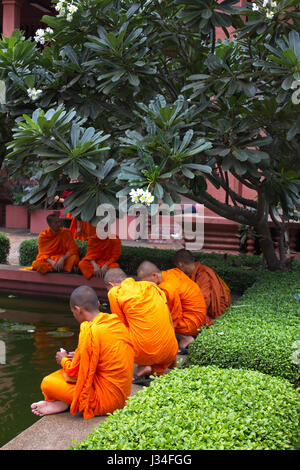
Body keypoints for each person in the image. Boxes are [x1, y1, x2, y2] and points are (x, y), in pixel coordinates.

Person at [31, 285, 135, 419]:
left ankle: (65, 403)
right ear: (97, 304)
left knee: (47, 383)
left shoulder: (90, 331)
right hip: (122, 396)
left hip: (105, 402)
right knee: (60, 374)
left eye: (73, 313)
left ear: (77, 310)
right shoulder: (115, 322)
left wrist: (63, 360)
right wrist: (80, 357)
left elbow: (74, 372)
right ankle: (63, 402)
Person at [104, 268, 178, 385]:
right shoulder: (150, 286)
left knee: (113, 330)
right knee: (141, 326)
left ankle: (133, 371)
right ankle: (147, 367)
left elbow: (120, 326)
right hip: (170, 350)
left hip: (146, 350)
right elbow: (168, 317)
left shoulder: (115, 292)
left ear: (111, 284)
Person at [137, 261, 208, 354]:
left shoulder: (167, 288)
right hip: (199, 318)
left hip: (191, 324)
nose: (146, 286)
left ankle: (186, 339)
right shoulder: (172, 273)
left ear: (155, 275)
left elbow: (172, 317)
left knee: (154, 319)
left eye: (147, 283)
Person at [173, 249, 231, 320]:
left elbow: (204, 301)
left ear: (180, 264)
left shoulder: (204, 273)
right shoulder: (192, 273)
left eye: (177, 267)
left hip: (212, 311)